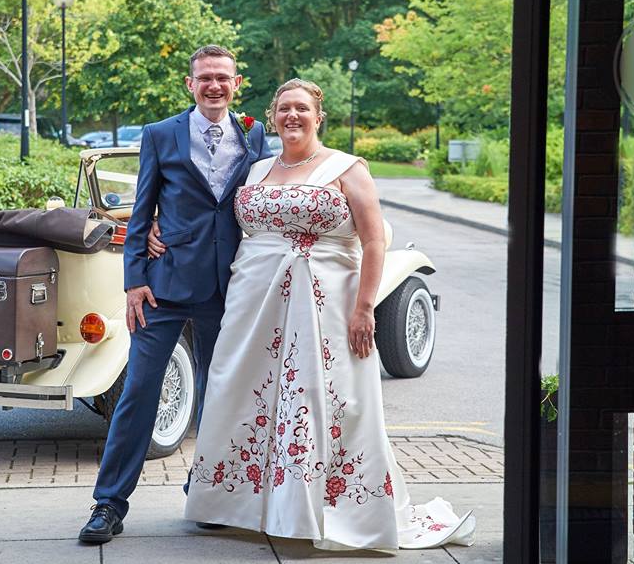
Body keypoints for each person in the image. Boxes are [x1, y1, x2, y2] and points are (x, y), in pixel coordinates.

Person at [180, 78, 476, 550]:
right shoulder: (255, 170)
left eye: (301, 108)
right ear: (272, 117)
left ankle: (321, 507)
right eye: (283, 109)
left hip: (327, 305)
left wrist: (365, 307)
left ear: (319, 116)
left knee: (330, 399)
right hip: (253, 306)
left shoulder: (347, 168)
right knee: (239, 394)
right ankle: (240, 505)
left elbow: (375, 239)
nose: (291, 116)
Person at [78, 45, 272, 544]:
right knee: (139, 392)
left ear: (236, 82)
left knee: (219, 393)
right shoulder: (160, 134)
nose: (214, 85)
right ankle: (108, 504)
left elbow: (265, 193)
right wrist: (134, 279)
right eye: (205, 77)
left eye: (222, 77)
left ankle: (203, 491)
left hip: (227, 286)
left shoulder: (252, 133)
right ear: (190, 84)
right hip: (161, 286)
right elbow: (142, 210)